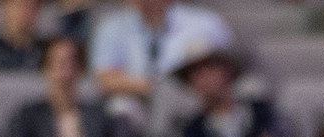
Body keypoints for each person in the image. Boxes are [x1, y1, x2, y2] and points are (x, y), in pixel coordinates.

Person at [7, 32, 134, 137]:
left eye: (71, 63)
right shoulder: (27, 117)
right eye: (59, 64)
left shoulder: (100, 116)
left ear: (80, 70)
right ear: (45, 69)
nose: (66, 72)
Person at [88, 0, 230, 103]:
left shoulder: (206, 23)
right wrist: (156, 89)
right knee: (121, 105)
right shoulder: (112, 27)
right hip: (140, 101)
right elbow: (105, 80)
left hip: (194, 100)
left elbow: (230, 70)